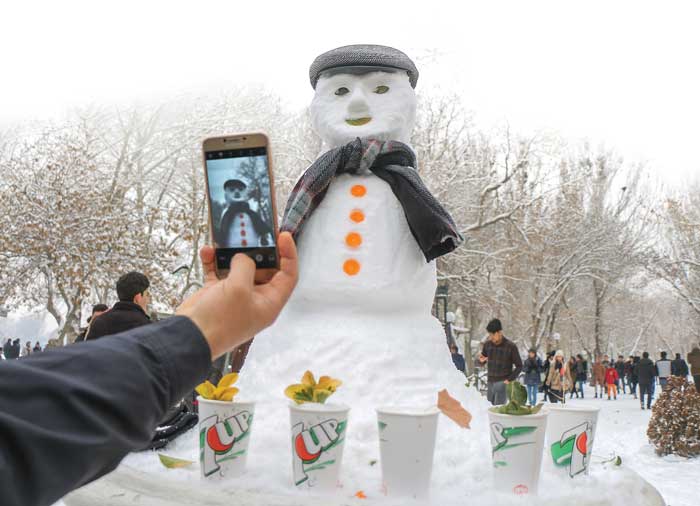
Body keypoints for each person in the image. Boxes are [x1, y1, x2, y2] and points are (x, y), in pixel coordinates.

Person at [0, 233, 298, 506]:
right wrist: (196, 333)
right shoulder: (143, 324)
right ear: (141, 295)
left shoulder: (99, 322)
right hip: (130, 406)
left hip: (113, 409)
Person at [86, 273, 152, 340]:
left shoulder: (99, 322)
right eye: (147, 295)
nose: (148, 299)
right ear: (138, 298)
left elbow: (88, 349)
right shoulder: (147, 327)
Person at [478, 318, 523, 406]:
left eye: (492, 335)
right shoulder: (487, 345)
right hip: (490, 382)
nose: (490, 337)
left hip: (503, 382)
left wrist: (509, 380)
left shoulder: (511, 347)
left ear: (499, 332)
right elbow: (481, 361)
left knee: (499, 410)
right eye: (489, 335)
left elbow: (519, 366)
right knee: (490, 408)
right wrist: (481, 361)